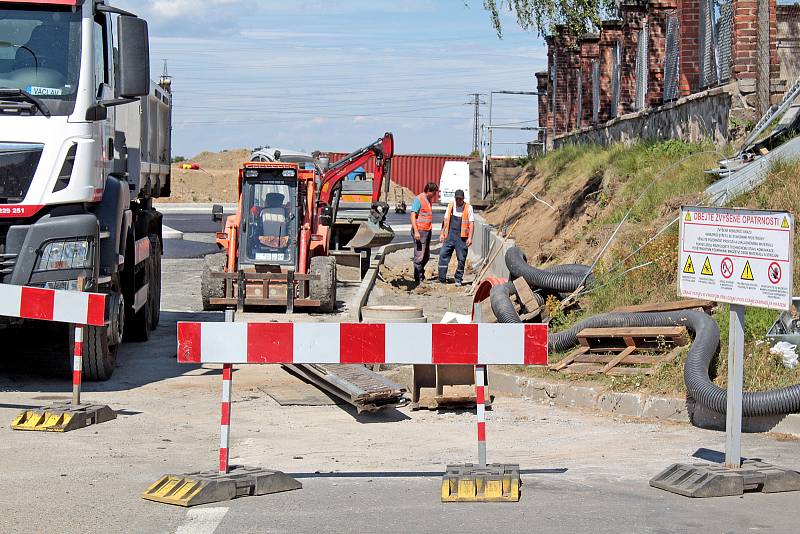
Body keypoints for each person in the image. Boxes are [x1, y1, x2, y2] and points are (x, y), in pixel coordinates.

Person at [437, 189, 474, 287]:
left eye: (460, 199)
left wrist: (470, 237)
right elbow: (445, 221)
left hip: (462, 238)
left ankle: (458, 279)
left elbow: (471, 224)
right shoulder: (450, 206)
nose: (458, 201)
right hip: (450, 235)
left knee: (461, 258)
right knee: (443, 255)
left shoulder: (468, 208)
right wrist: (442, 233)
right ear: (455, 198)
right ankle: (441, 278)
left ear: (463, 199)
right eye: (457, 199)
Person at [410, 182, 438, 285]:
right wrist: (416, 231)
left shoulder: (428, 199)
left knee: (426, 256)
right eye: (434, 193)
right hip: (420, 231)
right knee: (419, 256)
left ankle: (420, 273)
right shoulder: (419, 199)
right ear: (429, 191)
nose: (435, 195)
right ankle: (418, 278)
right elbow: (413, 215)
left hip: (427, 231)